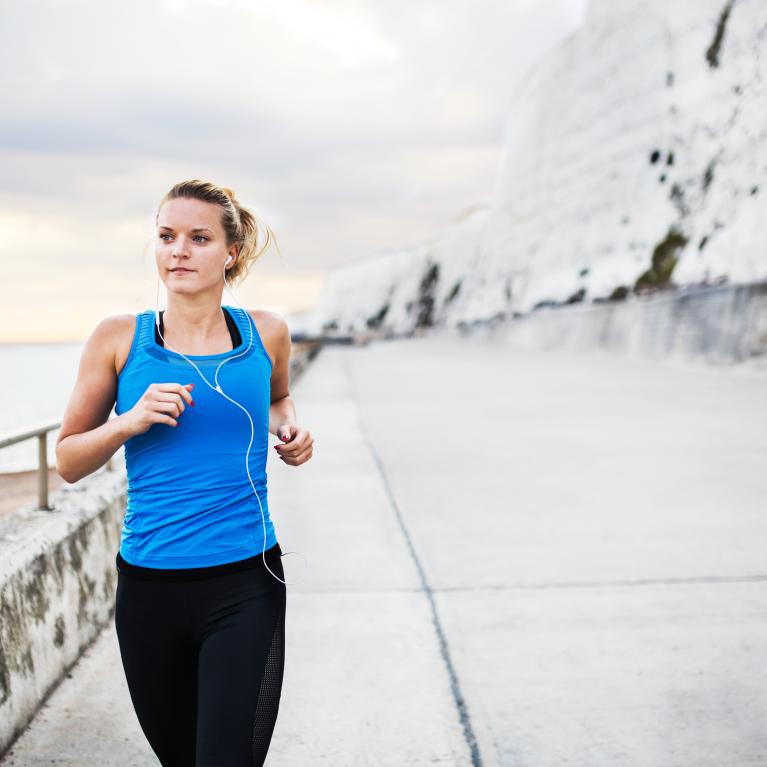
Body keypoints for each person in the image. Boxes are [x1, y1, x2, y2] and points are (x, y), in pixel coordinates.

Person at [55, 179, 314, 766]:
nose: (179, 250)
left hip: (246, 580)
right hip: (148, 588)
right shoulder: (120, 338)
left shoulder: (266, 332)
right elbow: (68, 461)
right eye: (168, 236)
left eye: (199, 238)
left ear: (231, 253)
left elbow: (277, 400)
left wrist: (290, 429)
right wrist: (129, 422)